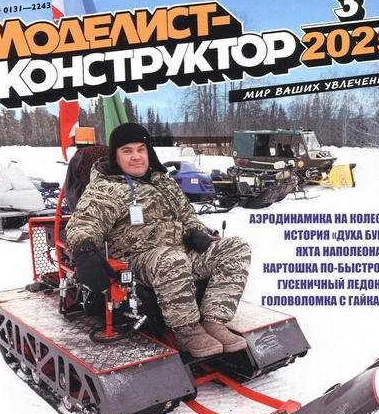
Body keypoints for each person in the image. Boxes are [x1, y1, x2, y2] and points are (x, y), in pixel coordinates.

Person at [65, 123, 251, 358]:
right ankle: (187, 331)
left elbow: (187, 215)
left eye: (141, 149)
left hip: (178, 252)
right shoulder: (106, 189)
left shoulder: (163, 182)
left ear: (149, 152)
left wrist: (195, 231)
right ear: (115, 156)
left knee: (236, 247)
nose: (136, 156)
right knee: (171, 259)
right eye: (127, 151)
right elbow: (83, 223)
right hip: (136, 260)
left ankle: (214, 320)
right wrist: (84, 251)